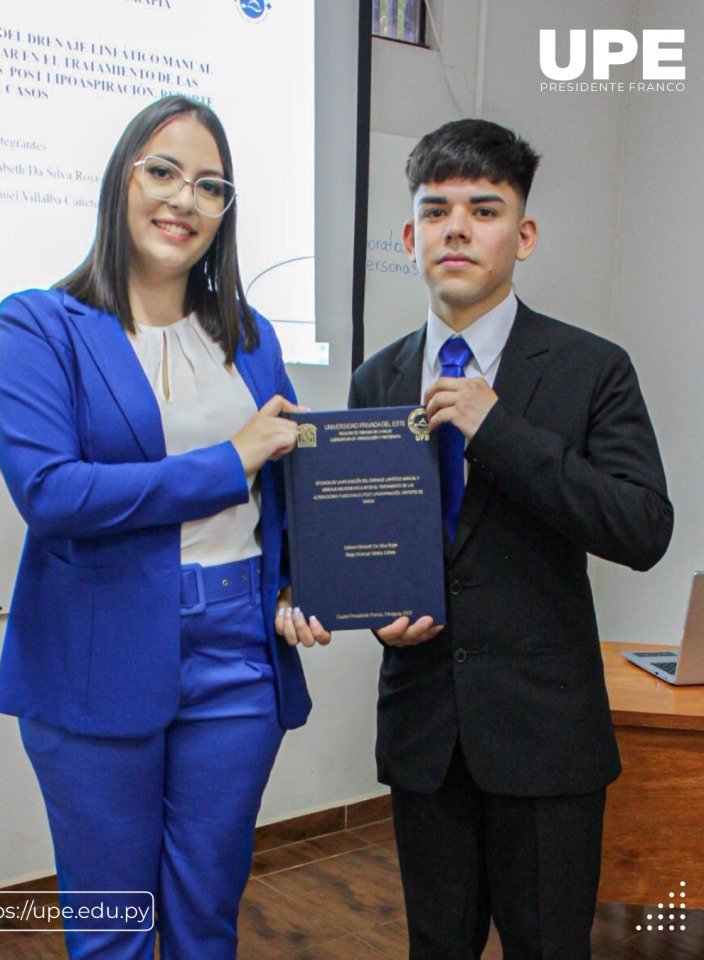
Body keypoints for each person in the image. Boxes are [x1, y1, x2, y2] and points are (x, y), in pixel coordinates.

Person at [0, 94, 329, 960]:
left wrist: (298, 586)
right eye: (164, 172)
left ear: (225, 213)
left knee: (206, 919)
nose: (184, 200)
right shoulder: (41, 325)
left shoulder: (251, 341)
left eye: (210, 187)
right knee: (112, 934)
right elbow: (53, 496)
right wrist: (227, 462)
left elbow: (280, 493)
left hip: (238, 654)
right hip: (97, 647)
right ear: (122, 182)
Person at [347, 119, 673, 959]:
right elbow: (367, 537)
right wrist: (374, 606)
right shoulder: (377, 378)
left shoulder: (591, 368)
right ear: (410, 234)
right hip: (424, 733)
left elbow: (641, 528)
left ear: (522, 236)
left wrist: (499, 428)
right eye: (436, 208)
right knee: (436, 947)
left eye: (483, 209)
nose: (457, 227)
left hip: (545, 740)